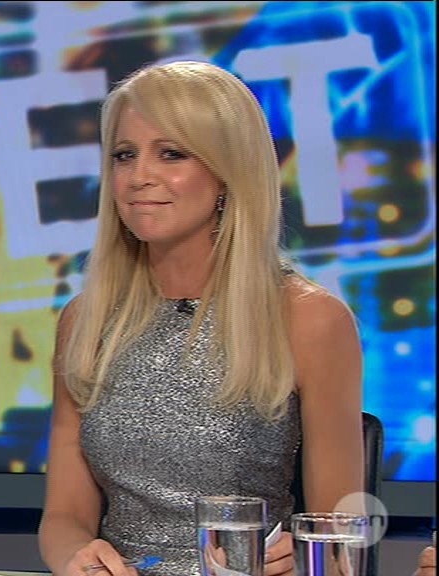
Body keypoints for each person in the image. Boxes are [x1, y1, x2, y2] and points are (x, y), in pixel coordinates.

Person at [37, 61, 365, 576]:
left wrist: (300, 560)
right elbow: (64, 515)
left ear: (227, 173)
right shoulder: (86, 321)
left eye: (171, 153)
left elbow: (338, 533)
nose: (139, 177)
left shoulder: (308, 318)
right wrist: (75, 557)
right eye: (125, 155)